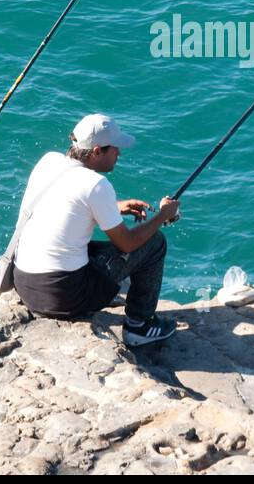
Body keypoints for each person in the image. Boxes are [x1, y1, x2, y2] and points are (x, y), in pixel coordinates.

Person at [12, 113, 180, 345]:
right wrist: (163, 215)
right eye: (115, 149)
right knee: (154, 242)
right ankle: (139, 327)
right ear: (96, 151)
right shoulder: (97, 185)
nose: (119, 153)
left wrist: (114, 207)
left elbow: (64, 205)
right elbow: (127, 244)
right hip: (62, 297)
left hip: (25, 285)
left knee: (81, 246)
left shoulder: (48, 161)